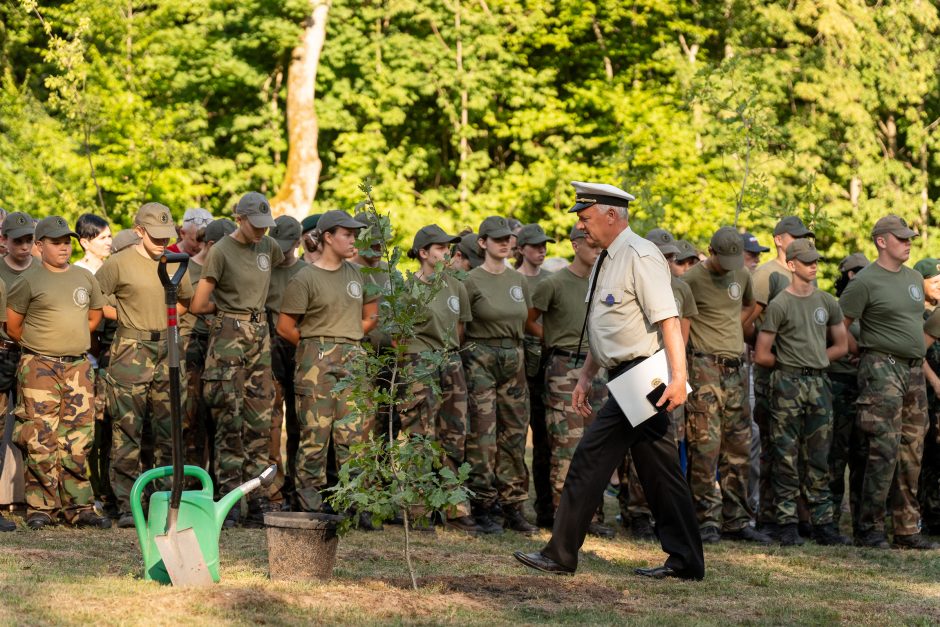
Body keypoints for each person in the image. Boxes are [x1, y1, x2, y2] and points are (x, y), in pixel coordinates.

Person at [514, 181, 703, 580]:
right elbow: (604, 327)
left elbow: (668, 318)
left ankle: (560, 553)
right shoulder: (605, 259)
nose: (581, 227)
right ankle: (686, 561)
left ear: (612, 215)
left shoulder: (640, 255)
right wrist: (585, 377)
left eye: (586, 218)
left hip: (644, 378)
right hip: (622, 375)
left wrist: (678, 376)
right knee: (660, 472)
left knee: (589, 460)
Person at [839, 214, 936, 550]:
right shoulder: (865, 282)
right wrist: (859, 350)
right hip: (881, 368)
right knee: (883, 449)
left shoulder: (912, 278)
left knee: (913, 449)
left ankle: (907, 529)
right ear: (881, 241)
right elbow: (841, 324)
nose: (908, 242)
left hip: (913, 370)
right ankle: (869, 528)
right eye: (901, 238)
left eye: (910, 238)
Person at [7, 216, 110, 529]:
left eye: (66, 241)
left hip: (78, 367)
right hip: (39, 366)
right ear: (40, 246)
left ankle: (79, 507)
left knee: (78, 438)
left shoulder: (84, 277)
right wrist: (44, 347)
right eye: (55, 241)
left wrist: (69, 343)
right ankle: (42, 508)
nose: (63, 247)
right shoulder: (28, 280)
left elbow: (93, 319)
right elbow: (13, 327)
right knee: (39, 437)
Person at [96, 203, 194, 528]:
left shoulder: (176, 260)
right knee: (127, 430)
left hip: (168, 347)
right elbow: (96, 301)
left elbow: (185, 301)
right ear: (139, 231)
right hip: (130, 350)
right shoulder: (118, 264)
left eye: (167, 236)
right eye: (155, 237)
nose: (162, 243)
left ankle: (166, 499)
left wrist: (163, 323)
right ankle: (126, 504)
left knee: (169, 429)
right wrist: (126, 317)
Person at [190, 192, 283, 527]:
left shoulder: (268, 247)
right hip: (230, 336)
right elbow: (199, 304)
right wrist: (230, 312)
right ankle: (228, 504)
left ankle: (258, 501)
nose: (261, 231)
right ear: (239, 219)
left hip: (261, 336)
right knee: (231, 421)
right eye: (255, 225)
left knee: (260, 421)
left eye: (265, 225)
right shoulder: (221, 252)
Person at [276, 210, 378, 514]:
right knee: (314, 436)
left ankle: (354, 505)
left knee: (355, 434)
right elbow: (285, 326)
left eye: (354, 235)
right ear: (328, 237)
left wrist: (347, 337)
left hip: (353, 360)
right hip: (315, 363)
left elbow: (371, 315)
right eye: (347, 234)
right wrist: (317, 347)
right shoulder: (305, 277)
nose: (353, 240)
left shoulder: (358, 275)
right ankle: (310, 504)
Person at [753, 239, 850, 546]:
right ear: (792, 264)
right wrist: (790, 365)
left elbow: (842, 345)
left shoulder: (827, 302)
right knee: (785, 454)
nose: (814, 265)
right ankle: (785, 523)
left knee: (820, 456)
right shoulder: (781, 303)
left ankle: (822, 524)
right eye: (807, 261)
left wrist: (818, 360)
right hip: (787, 384)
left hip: (819, 384)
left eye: (816, 261)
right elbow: (762, 354)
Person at [682, 227, 769, 544]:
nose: (731, 265)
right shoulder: (690, 280)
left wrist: (731, 328)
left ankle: (736, 520)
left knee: (739, 447)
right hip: (704, 367)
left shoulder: (742, 274)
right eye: (724, 259)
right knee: (705, 446)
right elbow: (679, 323)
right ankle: (705, 519)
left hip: (736, 368)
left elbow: (747, 307)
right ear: (710, 251)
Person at [526, 225, 611, 537]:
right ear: (576, 245)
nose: (598, 251)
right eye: (592, 245)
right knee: (566, 445)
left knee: (597, 444)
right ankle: (566, 518)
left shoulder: (603, 283)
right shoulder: (554, 283)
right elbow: (530, 319)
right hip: (564, 368)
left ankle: (593, 515)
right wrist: (553, 341)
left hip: (598, 367)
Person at [399, 224, 483, 534]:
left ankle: (454, 508)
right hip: (419, 362)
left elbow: (460, 331)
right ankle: (419, 509)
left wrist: (448, 359)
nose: (447, 254)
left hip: (451, 361)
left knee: (455, 435)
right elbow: (398, 337)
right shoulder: (408, 288)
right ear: (423, 253)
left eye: (449, 249)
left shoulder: (455, 285)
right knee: (420, 435)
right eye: (440, 248)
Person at [463, 216, 537, 535]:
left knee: (516, 432)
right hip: (480, 354)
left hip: (514, 356)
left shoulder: (518, 280)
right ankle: (482, 504)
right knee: (483, 434)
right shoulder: (471, 281)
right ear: (483, 243)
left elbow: (527, 321)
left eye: (508, 238)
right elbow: (461, 328)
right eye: (498, 239)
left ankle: (513, 504)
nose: (506, 243)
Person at [745, 216, 814, 536]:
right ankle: (770, 514)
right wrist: (761, 350)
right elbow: (748, 321)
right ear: (778, 240)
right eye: (796, 236)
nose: (805, 241)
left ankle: (794, 513)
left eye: (806, 237)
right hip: (772, 371)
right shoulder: (766, 275)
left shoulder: (804, 276)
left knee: (796, 447)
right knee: (773, 443)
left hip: (802, 376)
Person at [179, 218, 234, 482]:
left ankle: (217, 484)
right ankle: (191, 485)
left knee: (222, 420)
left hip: (224, 347)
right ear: (210, 245)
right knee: (192, 420)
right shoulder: (186, 269)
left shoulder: (230, 269)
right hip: (192, 349)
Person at [515, 223, 556, 528]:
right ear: (521, 249)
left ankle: (546, 507)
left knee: (545, 440)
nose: (541, 250)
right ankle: (513, 504)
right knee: (516, 438)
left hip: (546, 365)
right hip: (518, 364)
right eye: (535, 246)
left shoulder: (551, 280)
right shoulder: (512, 280)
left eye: (545, 246)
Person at [265, 216, 306, 509]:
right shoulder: (264, 269)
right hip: (269, 342)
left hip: (299, 343)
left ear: (298, 242)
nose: (281, 253)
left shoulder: (306, 271)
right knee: (271, 421)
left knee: (300, 421)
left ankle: (299, 482)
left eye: (287, 247)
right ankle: (274, 488)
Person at [828, 252, 868, 532]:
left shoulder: (871, 303)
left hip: (865, 383)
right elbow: (840, 331)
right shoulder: (837, 305)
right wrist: (858, 350)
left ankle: (860, 519)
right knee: (836, 454)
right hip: (839, 382)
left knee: (862, 454)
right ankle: (829, 518)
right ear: (850, 275)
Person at [0, 211, 34, 532]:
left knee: (35, 429)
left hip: (33, 356)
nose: (25, 247)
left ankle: (39, 504)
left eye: (29, 240)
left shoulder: (43, 271)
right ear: (4, 241)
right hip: (4, 353)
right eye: (18, 241)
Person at [918, 259, 940, 536]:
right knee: (928, 458)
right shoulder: (917, 315)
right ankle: (928, 516)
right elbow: (917, 352)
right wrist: (934, 382)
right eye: (935, 280)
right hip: (926, 395)